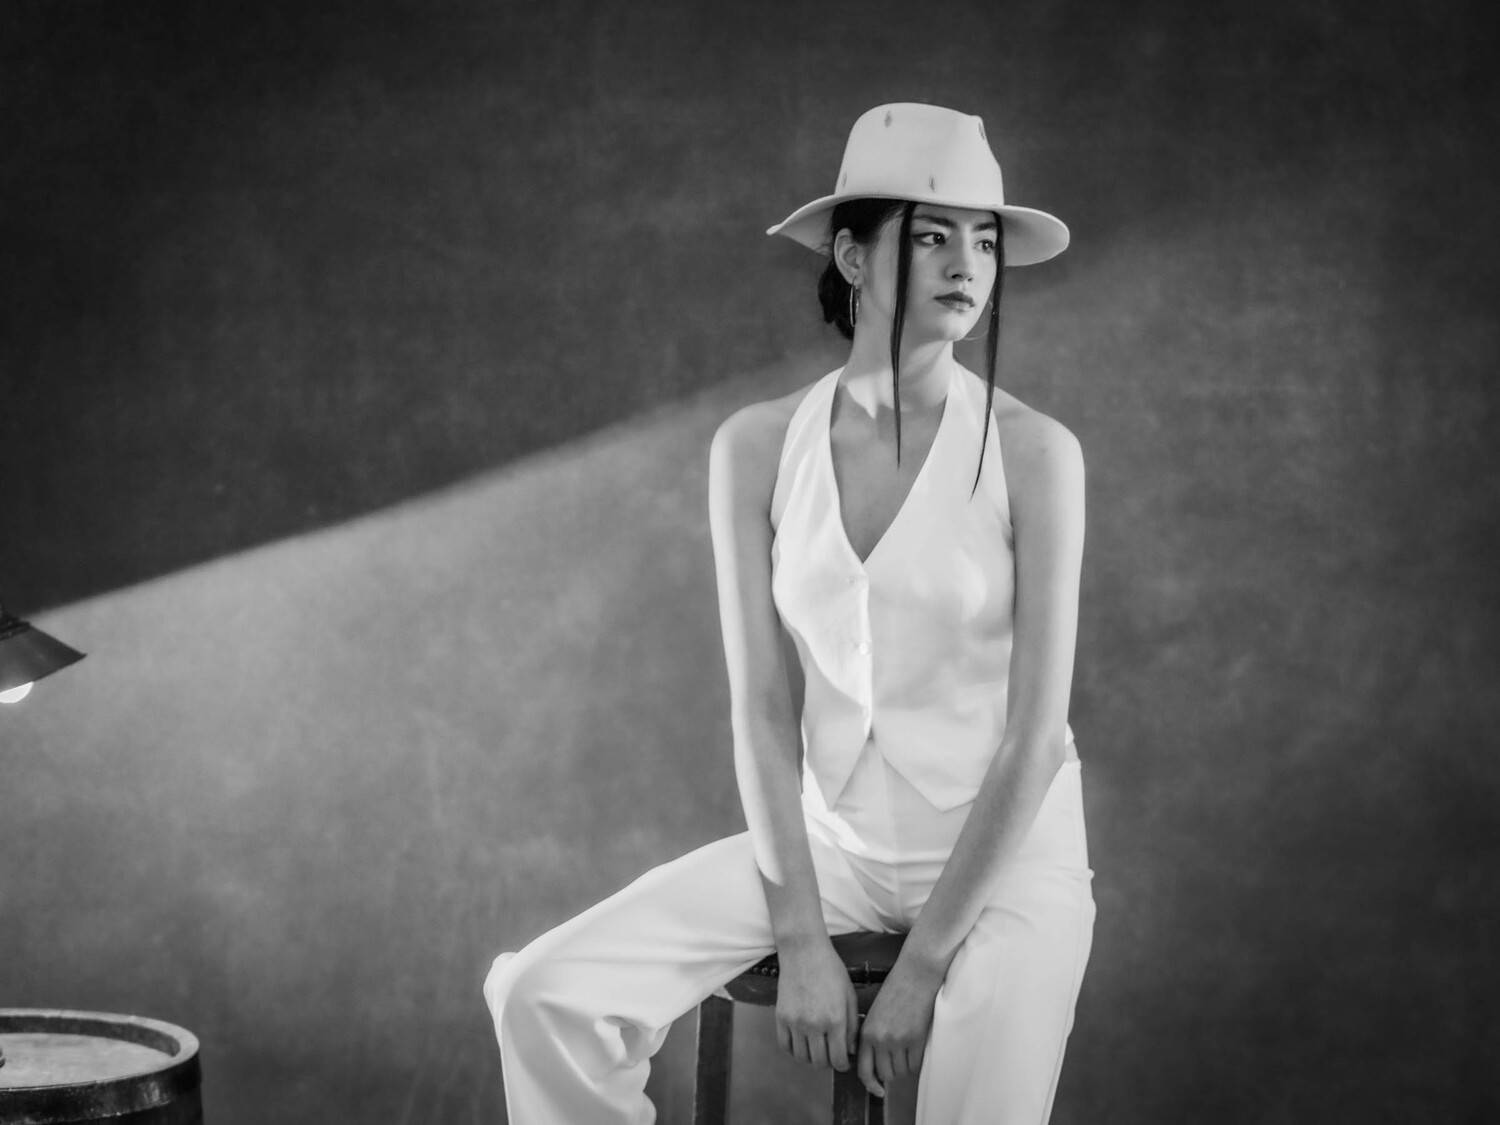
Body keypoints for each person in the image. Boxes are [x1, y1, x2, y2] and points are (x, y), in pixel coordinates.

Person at [484, 101, 1096, 1125]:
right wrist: (802, 937)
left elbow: (1035, 740)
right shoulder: (757, 447)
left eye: (985, 241)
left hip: (1004, 857)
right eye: (932, 236)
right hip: (835, 850)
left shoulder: (1036, 454)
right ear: (852, 257)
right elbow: (763, 710)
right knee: (543, 993)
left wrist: (920, 969)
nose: (968, 265)